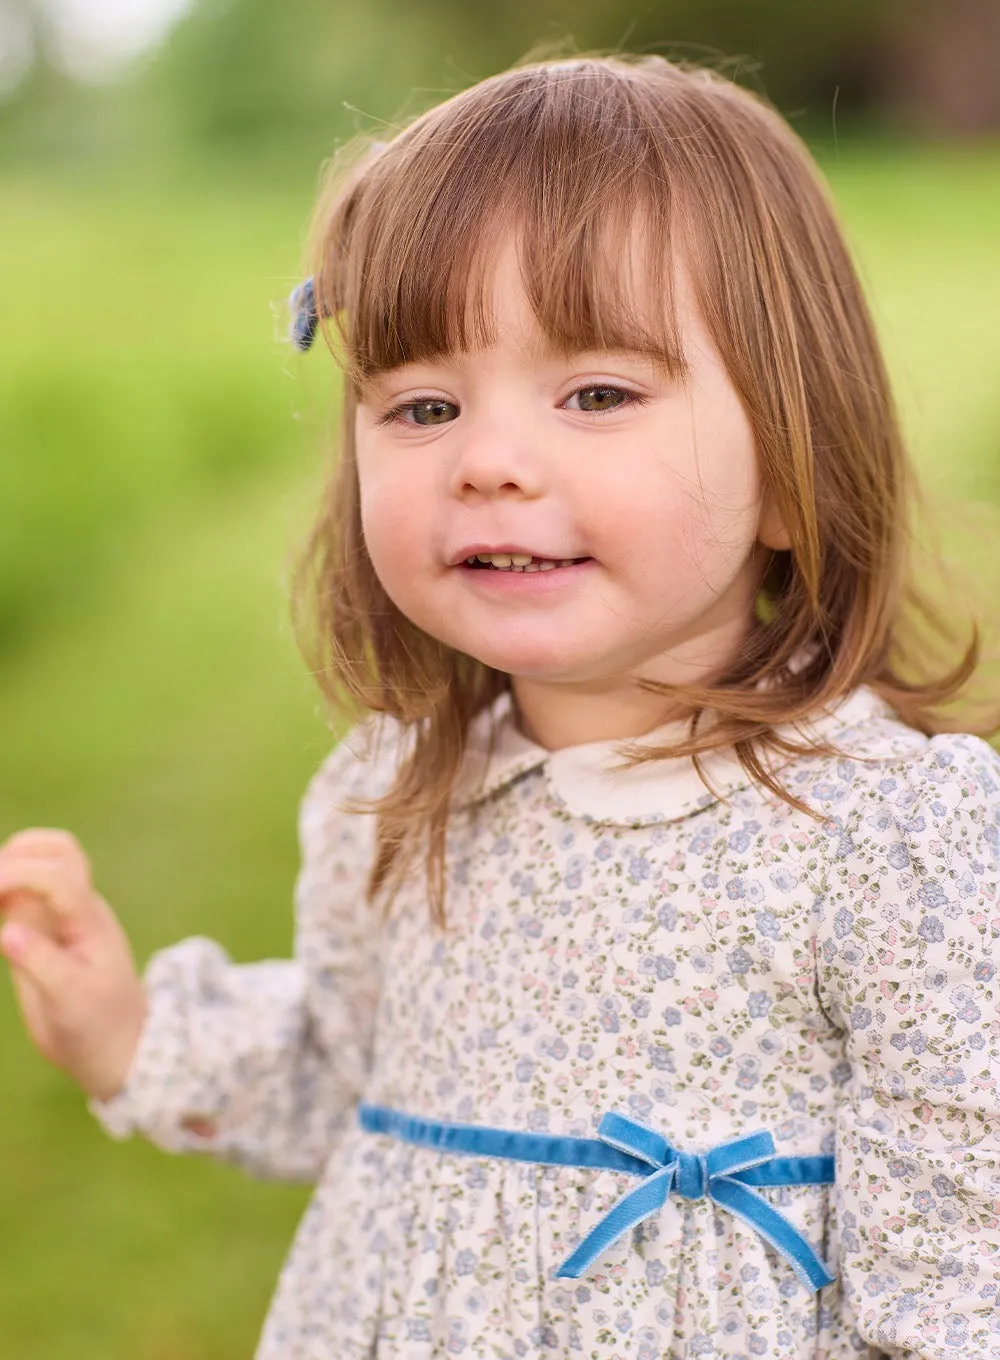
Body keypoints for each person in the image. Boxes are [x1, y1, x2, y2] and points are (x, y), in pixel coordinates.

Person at [1, 52, 998, 1360]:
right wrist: (133, 1036)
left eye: (596, 393)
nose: (488, 463)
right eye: (423, 405)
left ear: (794, 471)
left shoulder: (893, 839)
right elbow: (341, 1074)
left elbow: (959, 1248)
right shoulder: (390, 794)